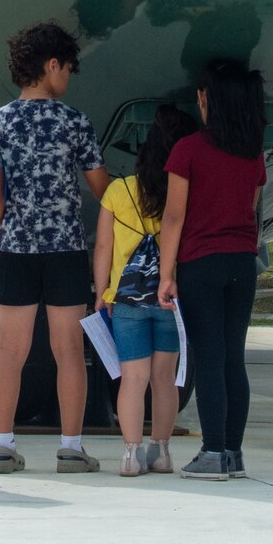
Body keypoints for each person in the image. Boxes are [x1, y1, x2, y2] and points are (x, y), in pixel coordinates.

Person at [0, 21, 110, 474]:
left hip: (13, 249)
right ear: (51, 66)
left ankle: (1, 445)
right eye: (67, 68)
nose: (68, 78)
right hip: (65, 249)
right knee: (69, 350)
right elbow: (101, 189)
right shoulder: (75, 121)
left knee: (11, 349)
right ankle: (71, 447)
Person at [157, 58, 267, 481]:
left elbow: (173, 217)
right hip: (243, 260)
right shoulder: (253, 154)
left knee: (207, 357)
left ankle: (212, 450)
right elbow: (251, 209)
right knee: (232, 358)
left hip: (201, 263)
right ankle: (233, 453)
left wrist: (167, 274)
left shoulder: (188, 150)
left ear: (207, 100)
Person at [93, 105, 198, 477]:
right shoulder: (183, 190)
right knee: (163, 380)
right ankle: (162, 451)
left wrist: (101, 292)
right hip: (171, 300)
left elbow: (103, 248)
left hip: (126, 301)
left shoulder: (118, 192)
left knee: (132, 379)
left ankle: (130, 454)